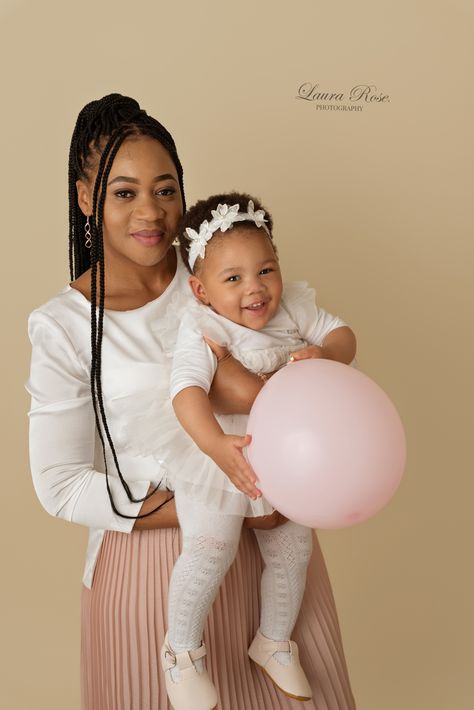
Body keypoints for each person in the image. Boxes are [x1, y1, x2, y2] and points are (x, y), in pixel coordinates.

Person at [26, 93, 357, 710]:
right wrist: (217, 505)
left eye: (166, 188)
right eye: (123, 192)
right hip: (157, 568)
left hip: (275, 566)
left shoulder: (232, 275)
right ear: (84, 199)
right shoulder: (63, 326)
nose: (150, 211)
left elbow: (312, 388)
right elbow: (60, 485)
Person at [153, 192, 356, 708]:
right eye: (233, 278)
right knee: (210, 549)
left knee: (293, 549)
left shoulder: (293, 310)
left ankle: (273, 640)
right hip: (222, 458)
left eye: (266, 270)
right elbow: (187, 393)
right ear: (200, 290)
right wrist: (215, 444)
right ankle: (180, 651)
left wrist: (325, 354)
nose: (255, 289)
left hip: (289, 456)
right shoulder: (204, 328)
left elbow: (344, 334)